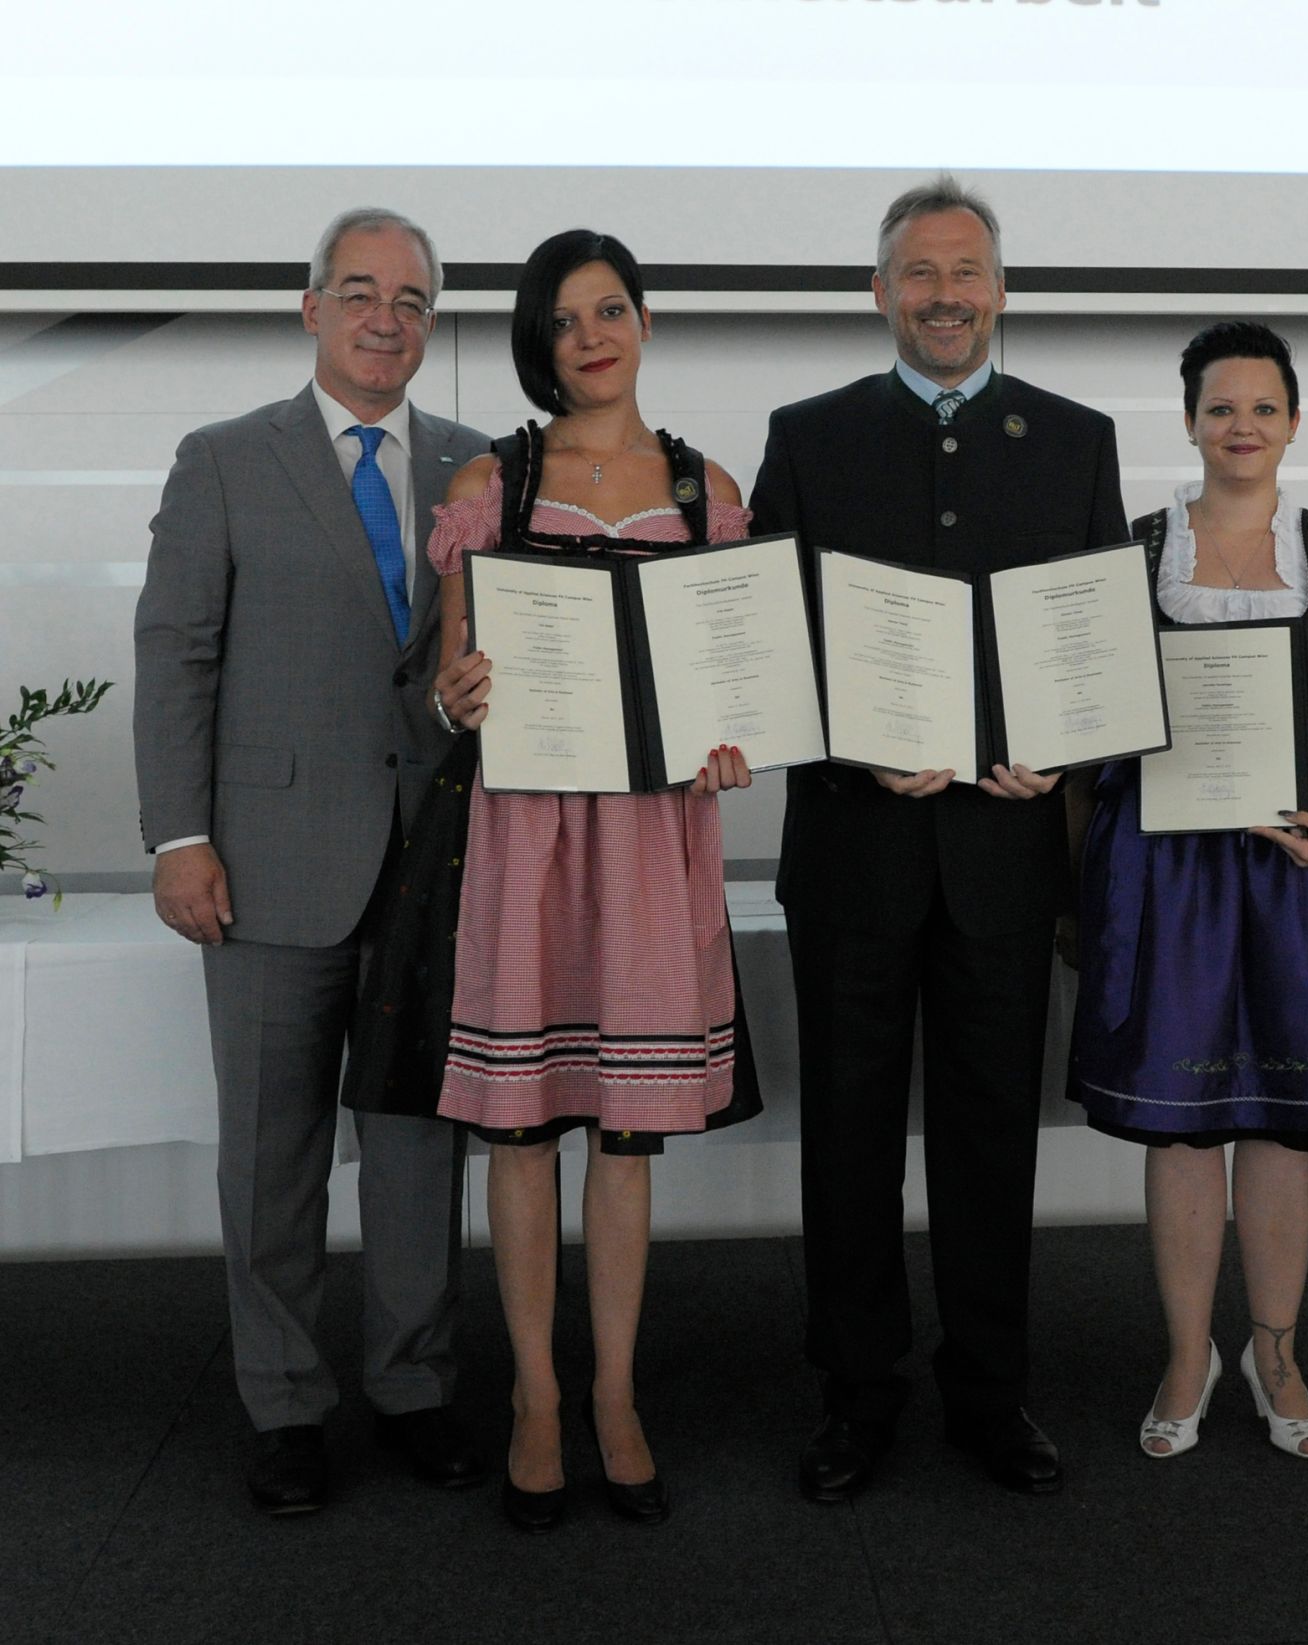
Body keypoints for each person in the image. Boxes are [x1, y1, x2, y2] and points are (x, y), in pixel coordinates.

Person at [749, 176, 1127, 1500]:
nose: (946, 294)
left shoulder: (1077, 440)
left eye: (968, 272)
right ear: (879, 293)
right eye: (920, 273)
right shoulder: (807, 435)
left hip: (1006, 858)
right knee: (845, 1142)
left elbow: (1092, 648)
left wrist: (1068, 744)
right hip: (855, 849)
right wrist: (856, 742)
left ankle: (991, 1393)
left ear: (1003, 291)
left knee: (989, 1142)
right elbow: (768, 650)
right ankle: (856, 1396)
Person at [133, 208, 490, 1513]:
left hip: (433, 867)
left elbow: (466, 672)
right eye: (359, 291)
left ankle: (415, 1387)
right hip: (267, 866)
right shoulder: (226, 460)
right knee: (272, 1156)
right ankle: (284, 1408)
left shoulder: (473, 470)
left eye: (409, 296)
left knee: (415, 1151)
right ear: (311, 308)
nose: (385, 316)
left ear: (430, 320)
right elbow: (178, 654)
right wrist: (179, 836)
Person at [418, 229, 761, 1533]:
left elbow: (734, 690)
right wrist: (462, 695)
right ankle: (535, 1399)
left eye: (610, 308)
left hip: (652, 844)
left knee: (625, 1134)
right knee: (519, 1130)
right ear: (537, 341)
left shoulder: (704, 487)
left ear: (645, 319)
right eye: (564, 320)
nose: (592, 335)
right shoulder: (488, 482)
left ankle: (615, 1392)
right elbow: (461, 683)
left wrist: (735, 739)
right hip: (528, 838)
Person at [1067, 321, 1308, 1463]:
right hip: (1168, 869)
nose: (1240, 426)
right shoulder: (1135, 546)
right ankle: (1182, 1346)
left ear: (1291, 421)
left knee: (1282, 1125)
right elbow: (1087, 712)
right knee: (1179, 1128)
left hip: (1298, 867)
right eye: (1219, 408)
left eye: (1261, 407)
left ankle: (1277, 1345)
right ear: (1191, 420)